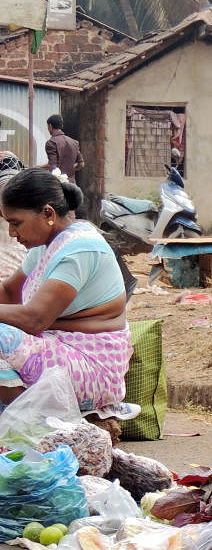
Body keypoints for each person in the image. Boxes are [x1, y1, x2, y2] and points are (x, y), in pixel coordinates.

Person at [0, 168, 131, 410]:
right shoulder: (46, 244)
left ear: (48, 214)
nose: (12, 233)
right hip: (61, 352)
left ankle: (27, 426)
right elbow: (9, 292)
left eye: (16, 223)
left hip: (92, 366)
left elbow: (35, 319)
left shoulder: (79, 248)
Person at [42, 115, 83, 185]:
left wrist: (34, 167)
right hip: (72, 185)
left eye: (47, 126)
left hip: (58, 186)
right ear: (61, 126)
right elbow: (81, 164)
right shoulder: (74, 142)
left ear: (50, 126)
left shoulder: (51, 142)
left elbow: (52, 166)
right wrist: (70, 169)